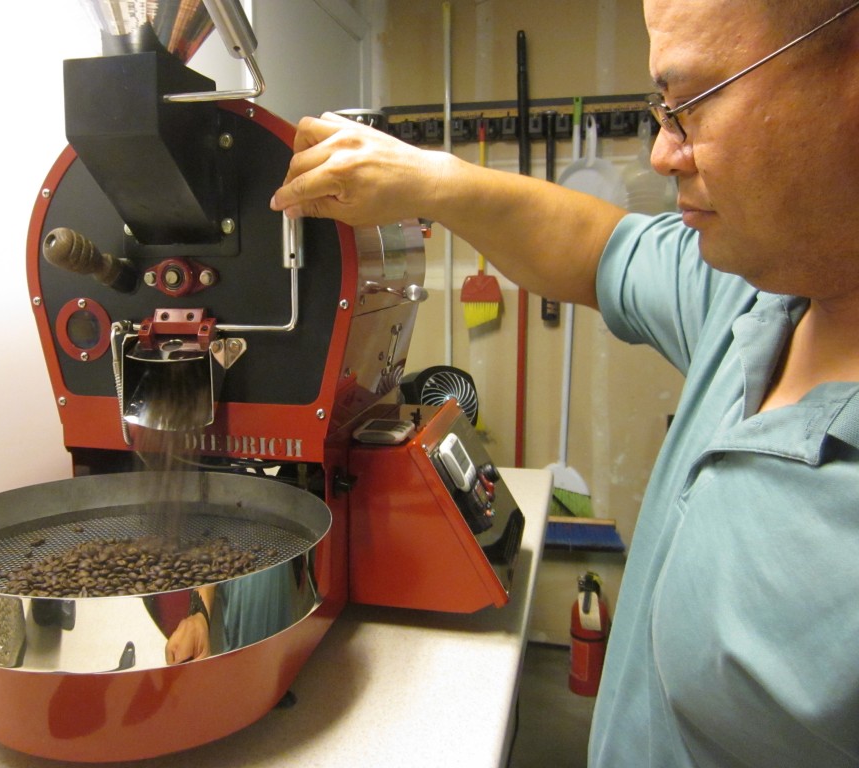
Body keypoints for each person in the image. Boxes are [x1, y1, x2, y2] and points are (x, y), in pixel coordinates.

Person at [270, 0, 859, 765]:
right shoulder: (759, 292)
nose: (660, 153)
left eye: (691, 106)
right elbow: (599, 247)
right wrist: (430, 179)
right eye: (659, 111)